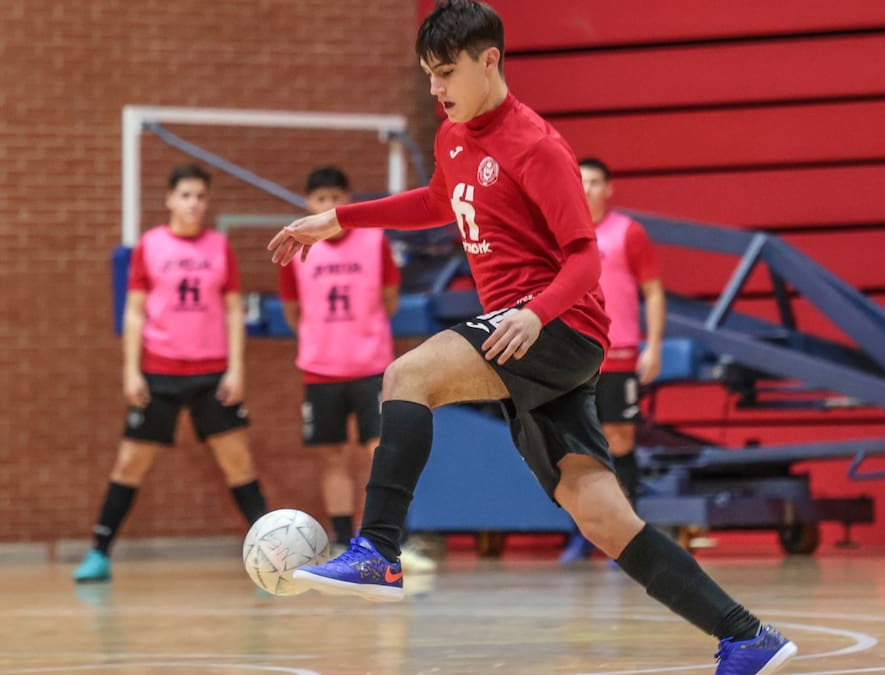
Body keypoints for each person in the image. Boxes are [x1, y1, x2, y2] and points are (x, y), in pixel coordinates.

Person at [267, 2, 795, 673]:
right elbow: (437, 199)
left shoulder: (537, 145)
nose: (435, 89)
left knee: (407, 376)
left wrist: (537, 313)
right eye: (427, 74)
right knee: (601, 516)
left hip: (559, 327)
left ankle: (378, 550)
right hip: (533, 341)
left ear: (491, 60)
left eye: (445, 73)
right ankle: (747, 636)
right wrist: (340, 218)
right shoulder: (453, 135)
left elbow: (585, 259)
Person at [74, 164, 268, 583]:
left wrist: (236, 369)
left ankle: (269, 555)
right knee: (130, 463)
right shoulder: (150, 245)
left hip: (212, 371)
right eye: (185, 195)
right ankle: (99, 552)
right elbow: (135, 311)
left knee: (238, 463)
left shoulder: (220, 246)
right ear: (169, 199)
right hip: (159, 371)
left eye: (200, 196)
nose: (193, 203)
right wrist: (131, 372)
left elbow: (234, 313)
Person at [279, 166, 438, 572]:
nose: (328, 205)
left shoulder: (373, 241)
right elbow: (293, 311)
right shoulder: (297, 248)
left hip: (371, 367)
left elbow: (389, 300)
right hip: (320, 368)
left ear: (349, 200)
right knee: (332, 456)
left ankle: (387, 541)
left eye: (336, 196)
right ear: (307, 204)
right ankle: (338, 541)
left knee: (379, 453)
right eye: (319, 198)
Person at [559, 158, 666, 564]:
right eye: (580, 182)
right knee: (576, 447)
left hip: (619, 353)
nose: (586, 189)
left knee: (620, 440)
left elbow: (653, 291)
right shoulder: (560, 235)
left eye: (595, 182)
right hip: (574, 354)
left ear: (609, 188)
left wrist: (652, 345)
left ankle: (630, 539)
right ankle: (581, 536)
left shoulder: (628, 232)